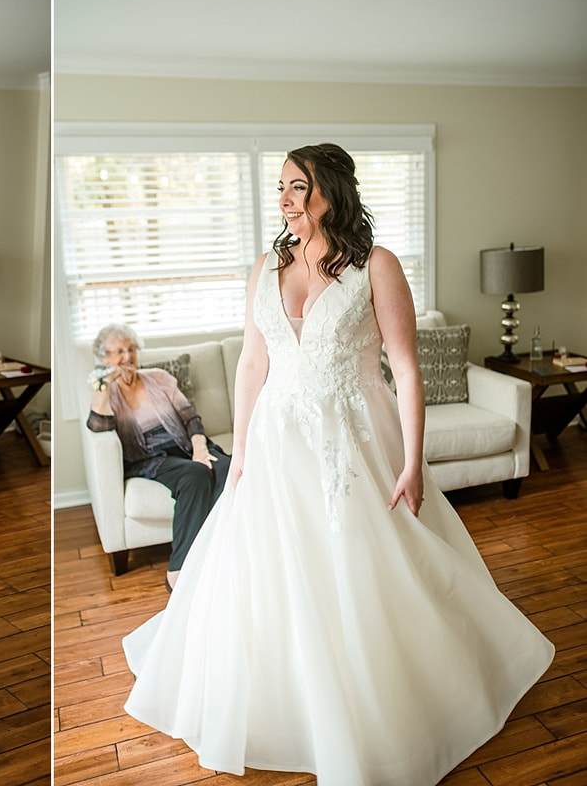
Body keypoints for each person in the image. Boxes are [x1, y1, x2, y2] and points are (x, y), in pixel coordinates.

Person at [121, 143, 554, 786]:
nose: (288, 200)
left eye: (300, 187)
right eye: (282, 188)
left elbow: (406, 370)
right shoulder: (268, 265)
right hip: (274, 439)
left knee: (370, 566)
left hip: (352, 438)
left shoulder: (375, 265)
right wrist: (238, 451)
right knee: (271, 569)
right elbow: (251, 363)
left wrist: (412, 461)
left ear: (332, 191)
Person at [87, 323, 231, 590]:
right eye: (119, 351)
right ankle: (178, 569)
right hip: (151, 458)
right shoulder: (107, 392)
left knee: (228, 470)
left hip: (187, 446)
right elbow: (99, 426)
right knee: (195, 474)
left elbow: (190, 417)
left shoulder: (158, 377)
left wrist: (200, 448)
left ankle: (221, 556)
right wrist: (105, 385)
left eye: (131, 349)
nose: (127, 356)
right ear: (104, 357)